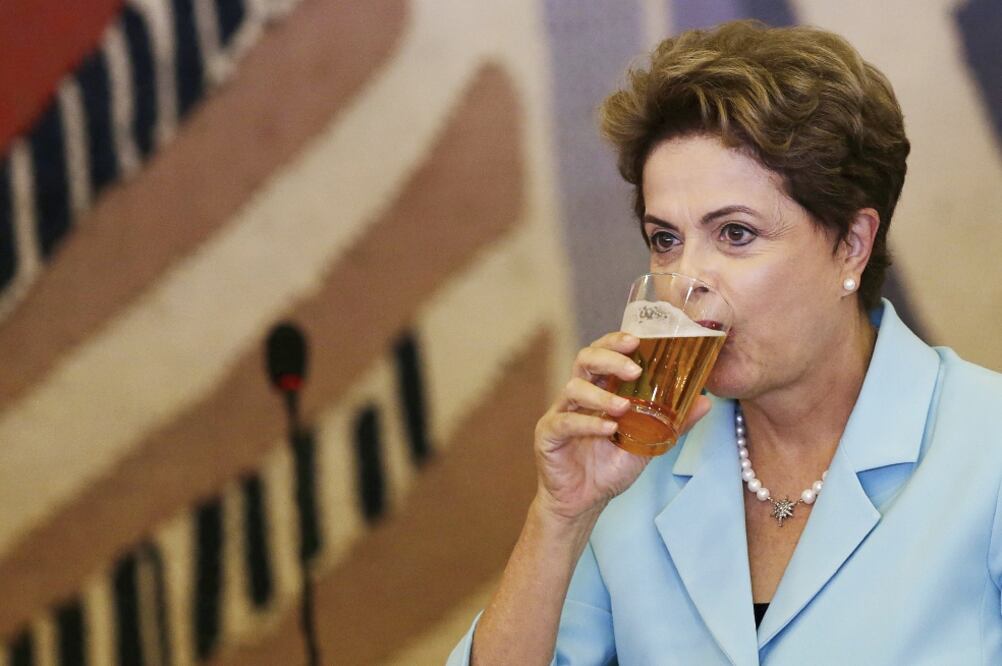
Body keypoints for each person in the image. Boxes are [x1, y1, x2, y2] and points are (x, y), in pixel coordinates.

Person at [448, 19, 1002, 665]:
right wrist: (560, 516)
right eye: (666, 240)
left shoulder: (985, 443)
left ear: (851, 243)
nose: (689, 279)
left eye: (735, 234)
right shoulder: (634, 468)